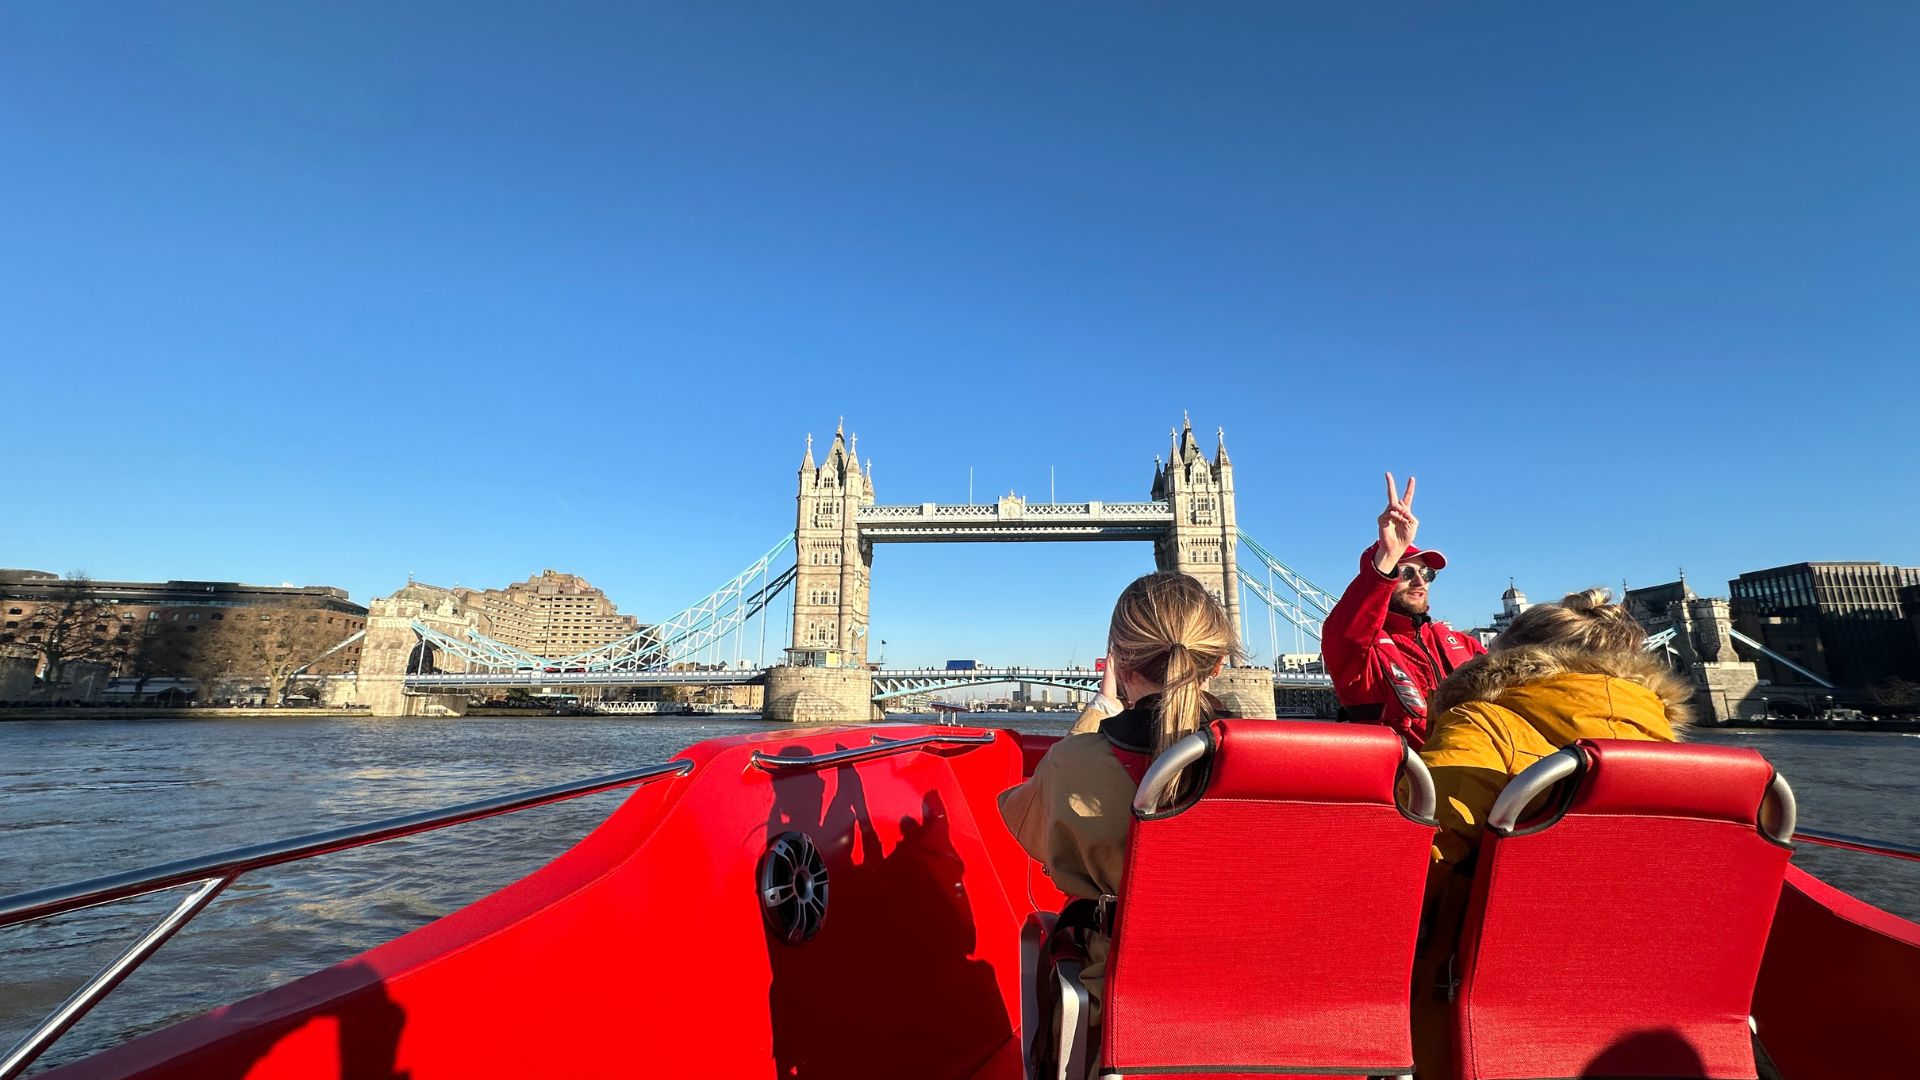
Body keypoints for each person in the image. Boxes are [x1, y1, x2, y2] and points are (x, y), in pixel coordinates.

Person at [1410, 588, 1691, 1079]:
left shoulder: (1481, 724)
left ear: (1505, 658)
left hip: (1478, 1012)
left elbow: (1415, 864)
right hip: (1648, 1004)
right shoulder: (1684, 759)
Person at [998, 571, 1235, 1033]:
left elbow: (1024, 820)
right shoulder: (1283, 766)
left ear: (1119, 664)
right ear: (1219, 662)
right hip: (1262, 1016)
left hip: (1128, 1022)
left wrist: (1101, 709)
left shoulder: (1077, 764)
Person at [1322, 473, 1484, 747]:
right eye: (1406, 572)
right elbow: (1347, 632)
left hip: (1473, 770)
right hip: (1405, 781)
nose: (1420, 581)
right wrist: (1387, 555)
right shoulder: (1361, 657)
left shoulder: (1464, 644)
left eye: (1427, 574)